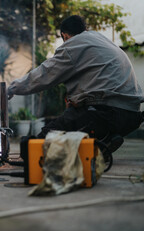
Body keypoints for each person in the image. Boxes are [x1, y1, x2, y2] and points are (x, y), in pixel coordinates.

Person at [8, 15, 144, 152]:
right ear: (84, 29)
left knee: (40, 142)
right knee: (78, 120)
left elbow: (45, 74)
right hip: (132, 116)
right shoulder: (100, 40)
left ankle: (98, 141)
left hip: (105, 114)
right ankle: (103, 141)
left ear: (64, 36)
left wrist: (13, 88)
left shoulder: (73, 45)